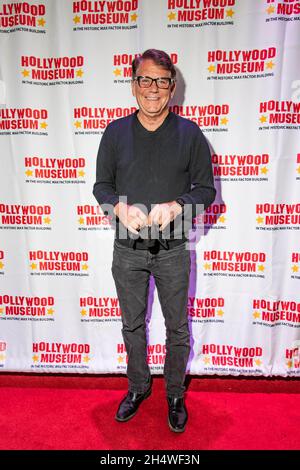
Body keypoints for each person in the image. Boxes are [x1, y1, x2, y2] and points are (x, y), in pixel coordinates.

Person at [93, 49, 216, 433]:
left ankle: (175, 394)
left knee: (177, 328)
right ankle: (137, 386)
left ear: (172, 88)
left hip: (174, 249)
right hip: (127, 251)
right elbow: (102, 186)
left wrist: (179, 205)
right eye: (145, 79)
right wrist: (116, 207)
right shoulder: (114, 133)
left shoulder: (190, 133)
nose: (153, 89)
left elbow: (207, 191)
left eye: (162, 81)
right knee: (132, 325)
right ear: (133, 85)